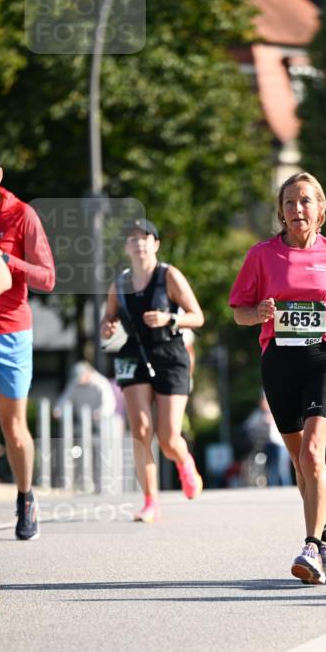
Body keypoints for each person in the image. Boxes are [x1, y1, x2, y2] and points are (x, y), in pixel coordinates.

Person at [229, 171, 326, 584]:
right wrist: (258, 314)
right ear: (281, 211)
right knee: (299, 462)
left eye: (306, 201)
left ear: (320, 210)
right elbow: (239, 310)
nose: (297, 209)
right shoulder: (262, 255)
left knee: (312, 453)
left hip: (325, 358)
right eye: (290, 202)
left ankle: (311, 546)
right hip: (279, 362)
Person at [100, 218, 205, 522]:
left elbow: (197, 316)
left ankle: (183, 460)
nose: (138, 243)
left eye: (144, 237)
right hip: (134, 354)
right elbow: (108, 320)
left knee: (169, 436)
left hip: (170, 355)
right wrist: (107, 326)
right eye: (132, 238)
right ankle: (150, 502)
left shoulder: (169, 276)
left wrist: (169, 319)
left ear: (155, 244)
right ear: (126, 247)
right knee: (141, 431)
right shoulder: (119, 283)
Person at [0, 150, 56, 540]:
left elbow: (47, 278)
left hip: (11, 331)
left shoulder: (21, 215)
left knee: (13, 426)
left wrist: (6, 259)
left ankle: (25, 496)